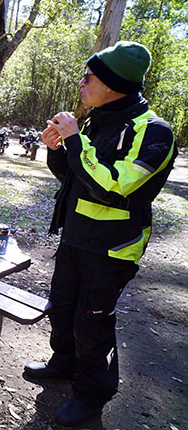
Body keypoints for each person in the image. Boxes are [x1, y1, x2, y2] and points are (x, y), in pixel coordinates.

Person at [25, 41, 177, 426]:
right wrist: (58, 149)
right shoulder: (98, 120)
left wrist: (76, 140)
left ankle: (92, 395)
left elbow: (111, 187)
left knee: (92, 322)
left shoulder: (154, 131)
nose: (81, 82)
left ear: (111, 84)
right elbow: (76, 179)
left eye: (88, 77)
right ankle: (63, 364)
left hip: (112, 249)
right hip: (76, 236)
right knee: (61, 306)